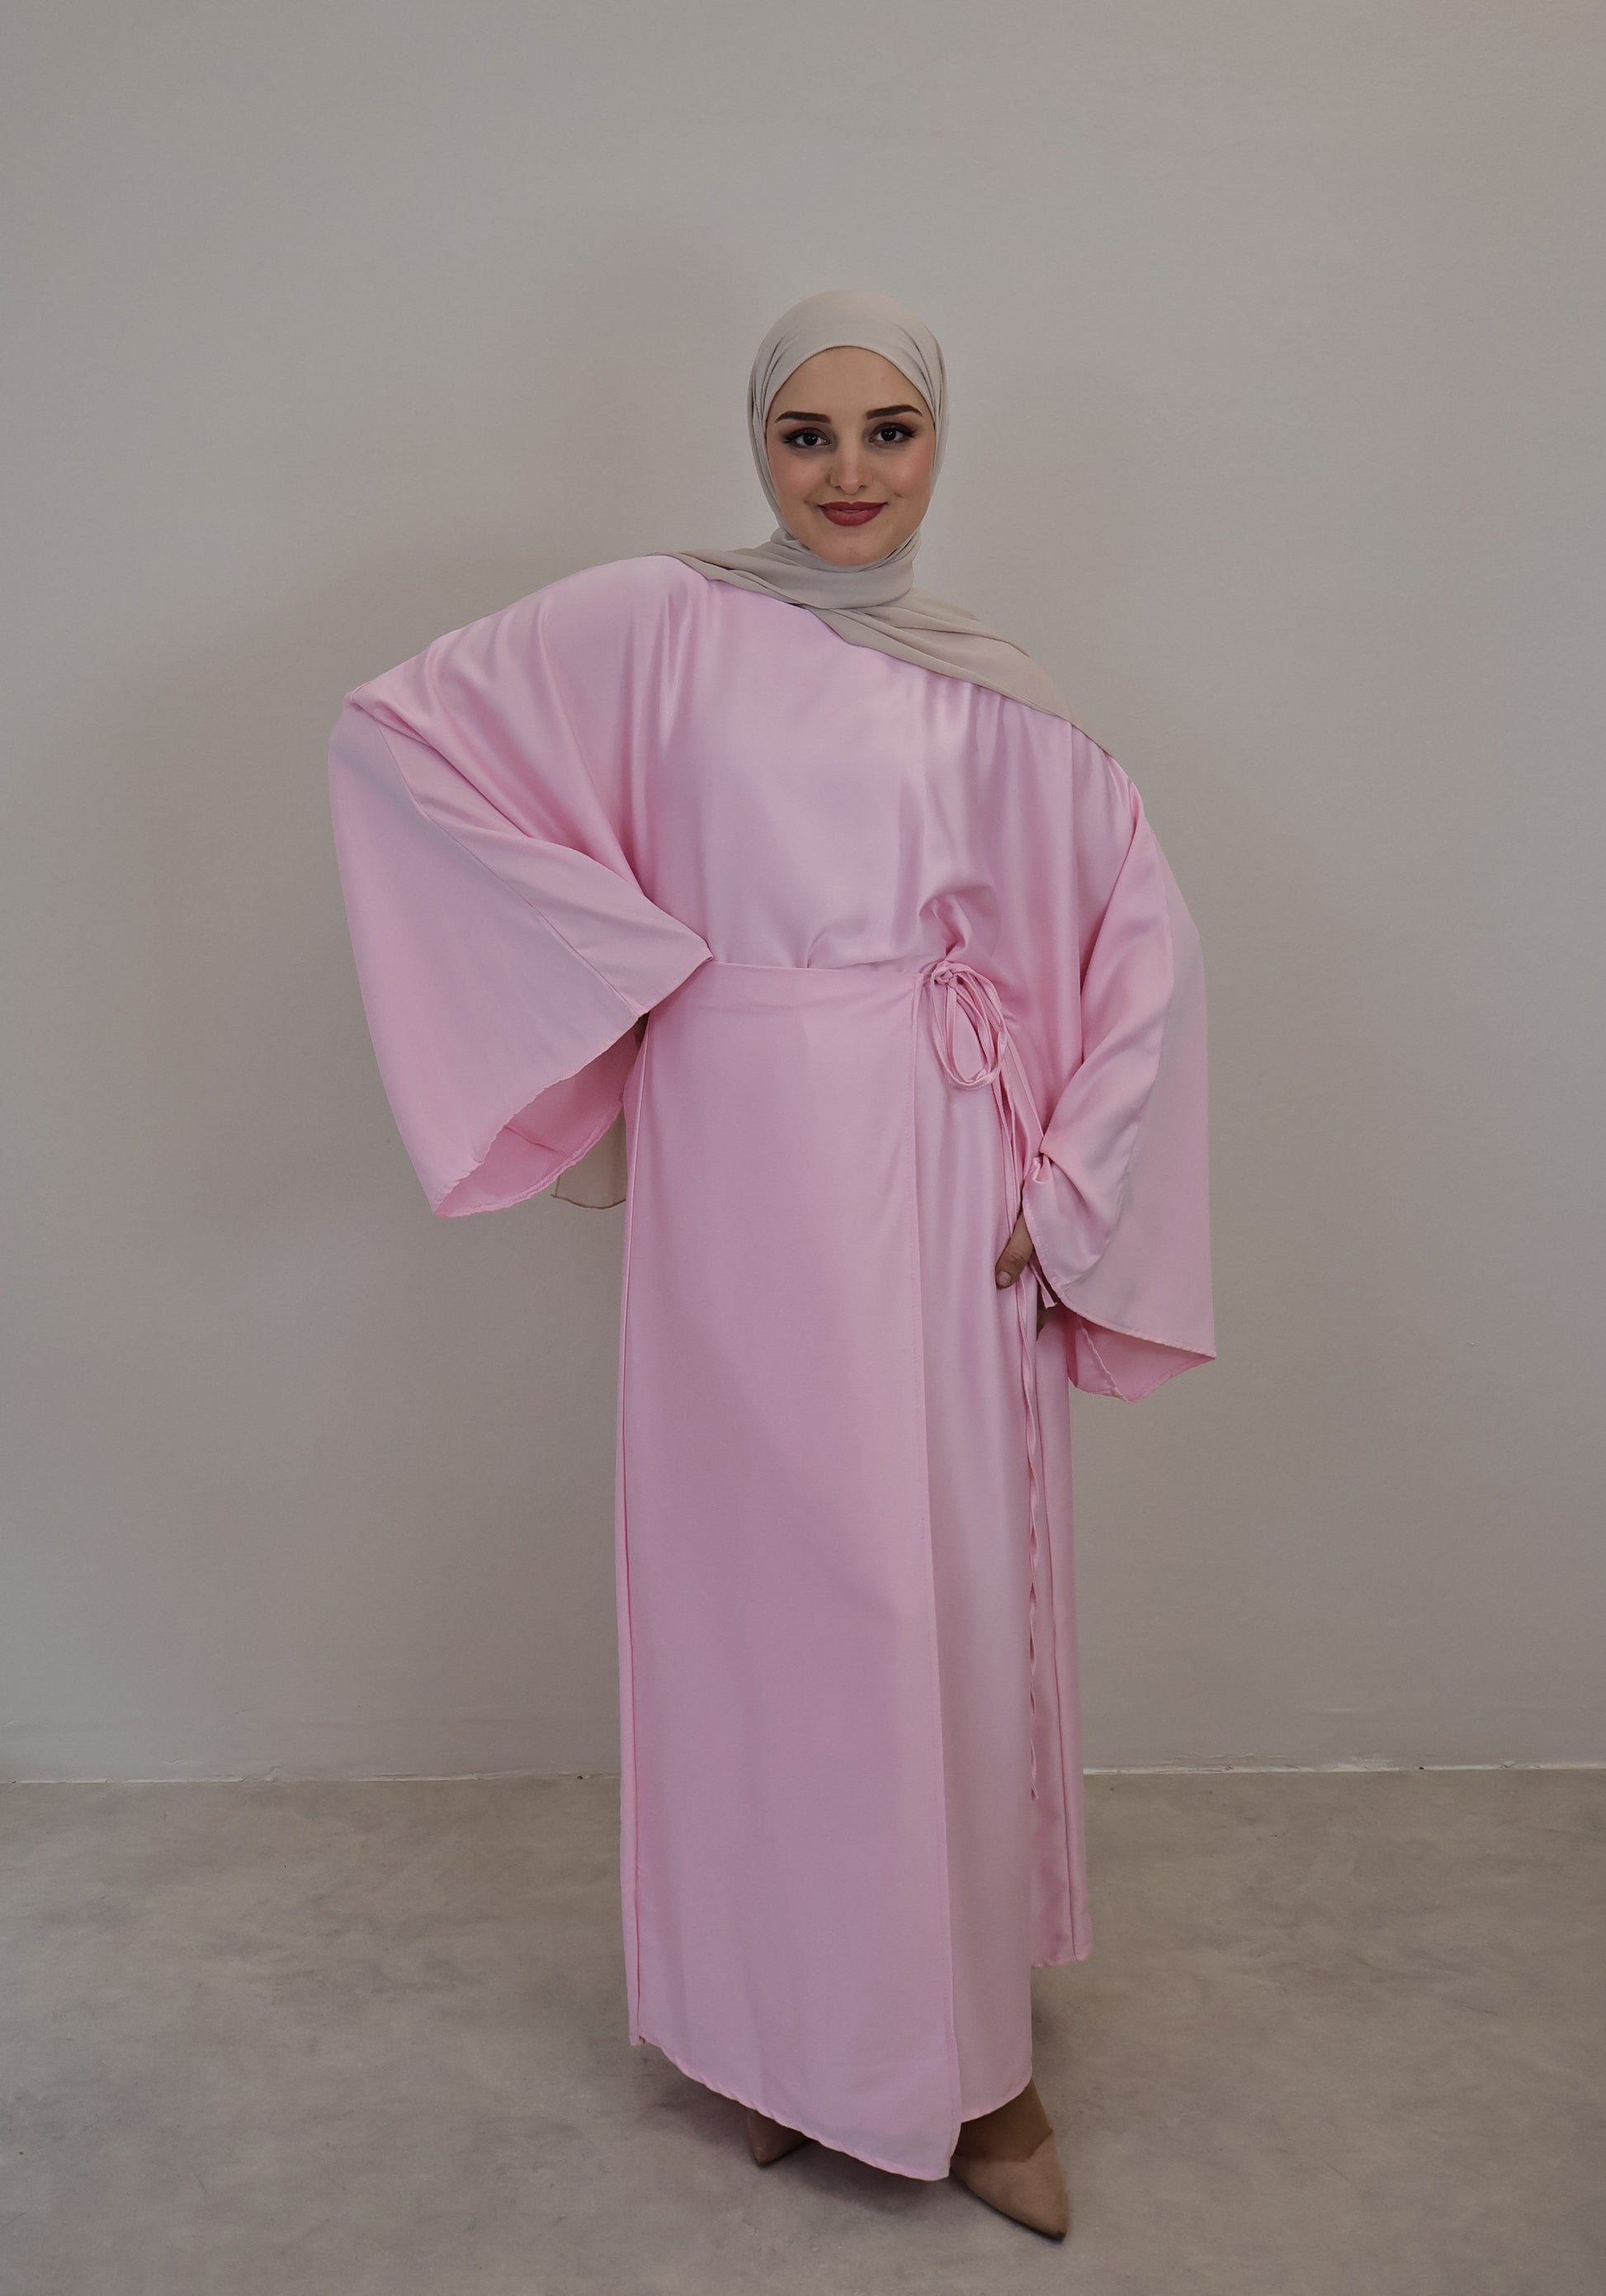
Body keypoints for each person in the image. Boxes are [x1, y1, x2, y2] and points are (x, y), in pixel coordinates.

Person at [327, 289, 1215, 2242]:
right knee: (754, 1611)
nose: (848, 472)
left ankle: (974, 2068)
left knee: (928, 1603)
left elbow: (1135, 939)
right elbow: (401, 733)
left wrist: (1065, 1177)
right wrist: (637, 964)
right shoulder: (661, 622)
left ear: (940, 441)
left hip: (931, 1165)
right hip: (735, 1174)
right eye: (807, 433)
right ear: (756, 444)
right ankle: (785, 2034)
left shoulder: (992, 691)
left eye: (890, 429)